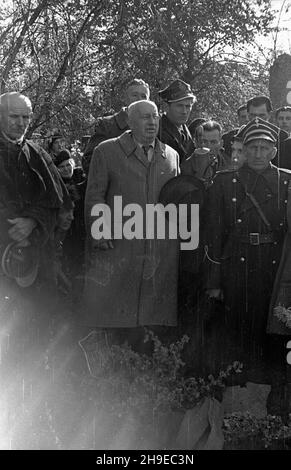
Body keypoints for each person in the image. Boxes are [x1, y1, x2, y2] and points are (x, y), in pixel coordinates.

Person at [202, 117, 291, 419]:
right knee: (237, 328)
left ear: (273, 151)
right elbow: (214, 235)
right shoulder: (225, 183)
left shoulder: (287, 181)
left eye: (264, 147)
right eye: (252, 146)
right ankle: (237, 401)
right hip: (237, 265)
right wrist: (214, 281)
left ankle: (274, 400)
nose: (257, 153)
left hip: (275, 268)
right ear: (243, 150)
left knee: (275, 330)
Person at [82, 100, 180, 357]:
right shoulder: (107, 151)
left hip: (157, 250)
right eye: (145, 117)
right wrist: (99, 231)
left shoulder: (171, 155)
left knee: (151, 324)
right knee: (116, 320)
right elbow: (94, 196)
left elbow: (178, 201)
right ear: (130, 122)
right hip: (119, 246)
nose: (152, 122)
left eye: (155, 117)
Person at [83, 78, 150, 174]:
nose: (139, 100)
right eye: (134, 95)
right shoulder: (107, 125)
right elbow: (89, 161)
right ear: (125, 98)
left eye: (144, 96)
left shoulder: (153, 127)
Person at [246, 95, 291, 169]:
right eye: (253, 115)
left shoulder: (281, 136)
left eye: (262, 115)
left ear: (269, 115)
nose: (257, 120)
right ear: (248, 115)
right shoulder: (237, 136)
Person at [158, 79, 196, 164]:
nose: (184, 111)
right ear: (166, 106)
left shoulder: (184, 129)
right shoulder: (159, 131)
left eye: (188, 106)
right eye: (179, 106)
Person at [181, 120, 228, 186]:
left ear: (221, 144)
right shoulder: (185, 168)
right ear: (195, 143)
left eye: (213, 142)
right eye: (204, 142)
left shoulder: (229, 167)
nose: (208, 147)